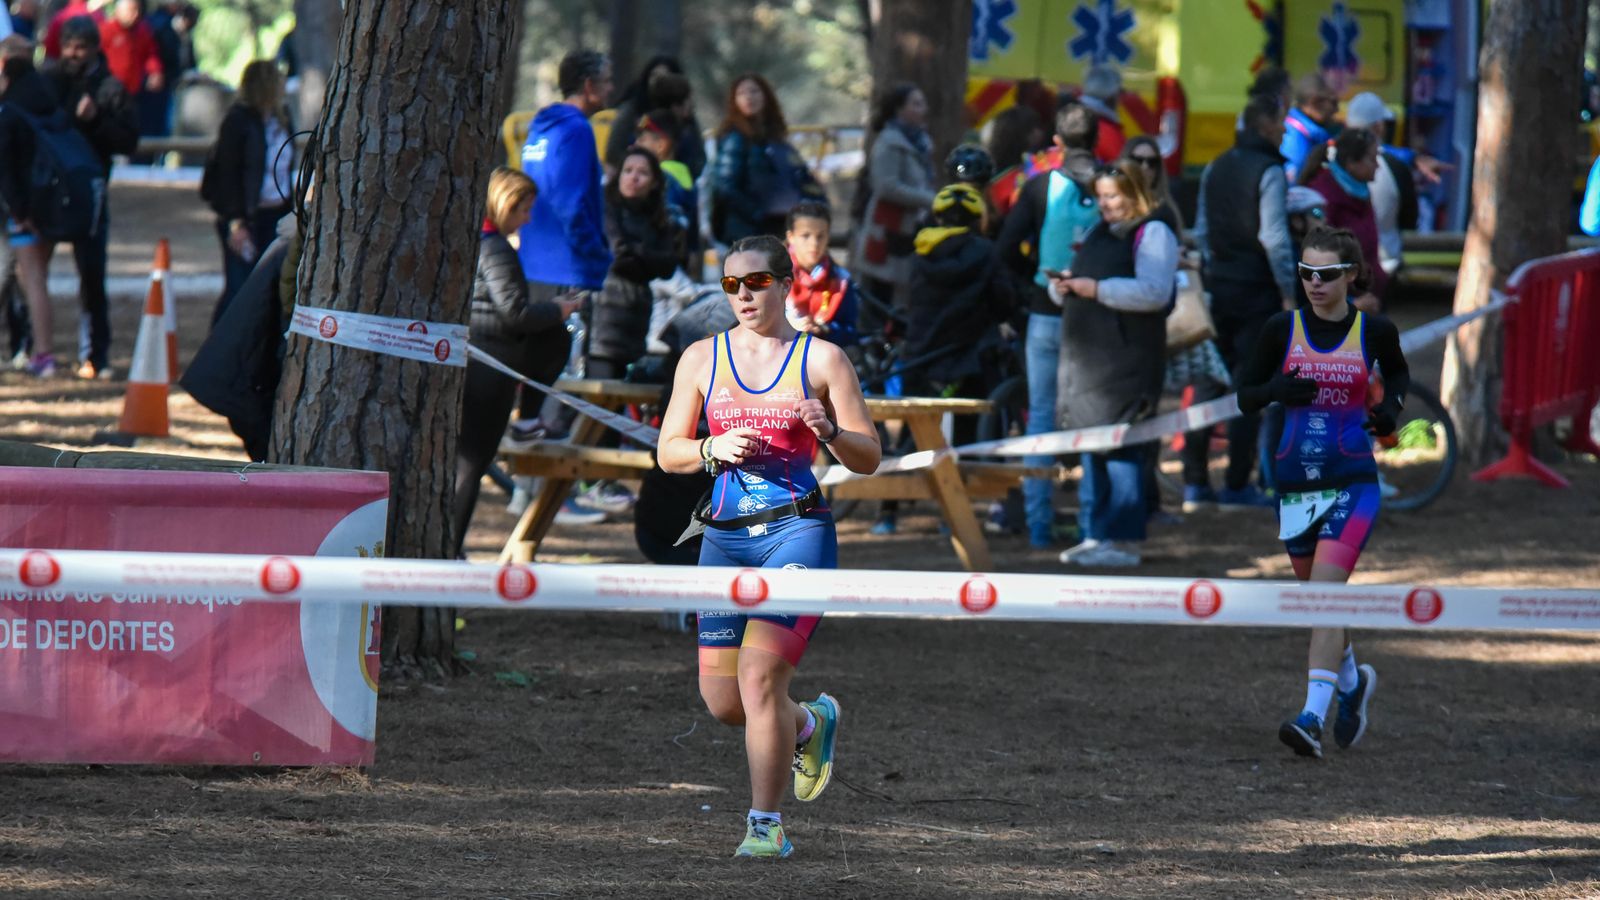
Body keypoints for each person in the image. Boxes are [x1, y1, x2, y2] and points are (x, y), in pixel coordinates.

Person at [655, 233, 880, 858]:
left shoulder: (823, 360)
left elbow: (868, 458)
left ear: (785, 284)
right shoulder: (702, 358)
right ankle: (810, 722)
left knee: (758, 682)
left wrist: (830, 431)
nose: (744, 295)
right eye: (731, 285)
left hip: (796, 532)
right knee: (725, 702)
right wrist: (707, 448)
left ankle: (765, 826)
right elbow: (667, 452)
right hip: (723, 540)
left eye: (755, 282)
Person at [1234, 225, 1407, 758]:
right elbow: (1245, 396)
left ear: (1350, 275)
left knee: (1327, 594)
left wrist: (1389, 409)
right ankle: (1353, 684)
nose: (1314, 282)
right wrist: (1273, 392)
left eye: (1326, 274)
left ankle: (1311, 716)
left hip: (1353, 482)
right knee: (1319, 601)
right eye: (1306, 272)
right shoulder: (1279, 329)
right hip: (1295, 486)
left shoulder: (1373, 330)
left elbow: (1397, 375)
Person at [1050, 161, 1177, 568]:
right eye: (1101, 196)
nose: (1104, 204)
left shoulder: (1153, 231)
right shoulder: (1096, 230)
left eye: (1113, 196)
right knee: (1093, 444)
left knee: (1122, 449)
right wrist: (1065, 286)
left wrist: (1096, 289)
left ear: (1134, 193)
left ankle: (1123, 539)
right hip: (1089, 362)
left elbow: (1155, 292)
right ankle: (1096, 531)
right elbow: (1082, 284)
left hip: (1129, 359)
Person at [450, 167, 579, 558]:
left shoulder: (468, 241)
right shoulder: (496, 247)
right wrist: (559, 310)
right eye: (524, 210)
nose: (526, 219)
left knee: (464, 464)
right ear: (506, 204)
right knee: (471, 466)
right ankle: (450, 550)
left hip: (475, 358)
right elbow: (515, 314)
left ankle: (447, 547)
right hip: (493, 365)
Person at [994, 100, 1099, 548]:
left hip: (1044, 312)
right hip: (1098, 321)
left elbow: (1004, 248)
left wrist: (1025, 289)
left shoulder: (1039, 186)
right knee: (1096, 424)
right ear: (1096, 141)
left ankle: (1038, 525)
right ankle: (1091, 528)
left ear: (1055, 143)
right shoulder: (1115, 185)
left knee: (1040, 417)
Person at [1186, 94, 1296, 511]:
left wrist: (1211, 275)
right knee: (1248, 389)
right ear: (1266, 125)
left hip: (1217, 291)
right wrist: (1287, 289)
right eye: (1282, 121)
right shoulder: (1269, 171)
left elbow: (1201, 229)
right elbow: (1274, 238)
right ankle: (1235, 483)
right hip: (1256, 293)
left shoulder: (1216, 167)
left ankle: (1196, 484)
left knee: (1207, 383)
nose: (1286, 129)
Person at [514, 49, 613, 447]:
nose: (610, 89)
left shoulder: (540, 127)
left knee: (537, 369)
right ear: (588, 86)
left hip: (532, 260)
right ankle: (551, 471)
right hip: (567, 268)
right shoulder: (576, 130)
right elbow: (571, 202)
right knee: (563, 371)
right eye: (606, 81)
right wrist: (597, 253)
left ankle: (531, 463)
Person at [41, 14, 138, 380]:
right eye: (68, 46)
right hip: (48, 192)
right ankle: (28, 346)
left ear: (95, 48)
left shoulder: (110, 88)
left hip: (89, 193)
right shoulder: (48, 82)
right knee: (23, 271)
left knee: (92, 275)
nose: (73, 54)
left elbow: (128, 140)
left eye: (80, 47)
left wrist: (96, 119)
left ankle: (95, 353)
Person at [199, 59, 294, 324]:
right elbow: (227, 176)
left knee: (274, 289)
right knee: (240, 290)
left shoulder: (283, 118)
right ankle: (220, 350)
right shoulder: (238, 121)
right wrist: (236, 222)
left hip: (276, 215)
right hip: (245, 218)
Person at [592, 146, 682, 379]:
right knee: (600, 387)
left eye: (642, 172)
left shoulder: (659, 217)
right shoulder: (605, 208)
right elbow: (618, 256)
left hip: (638, 314)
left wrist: (636, 253)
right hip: (604, 313)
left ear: (654, 182)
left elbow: (669, 265)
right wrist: (648, 257)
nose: (634, 177)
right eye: (628, 170)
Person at [851, 82, 935, 319]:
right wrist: (928, 199)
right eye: (916, 104)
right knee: (879, 293)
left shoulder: (920, 142)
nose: (923, 109)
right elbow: (886, 186)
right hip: (886, 229)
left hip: (910, 229)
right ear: (899, 109)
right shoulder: (889, 143)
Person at [0, 35, 58, 376]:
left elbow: (7, 169)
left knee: (31, 280)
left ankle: (44, 354)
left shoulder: (10, 113)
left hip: (20, 215)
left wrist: (20, 213)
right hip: (48, 204)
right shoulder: (48, 98)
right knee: (36, 279)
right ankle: (38, 351)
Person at [709, 73, 822, 245]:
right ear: (734, 101)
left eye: (754, 91)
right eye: (742, 93)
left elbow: (801, 176)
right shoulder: (735, 138)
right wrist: (756, 214)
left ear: (766, 95)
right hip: (748, 232)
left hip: (783, 226)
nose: (749, 97)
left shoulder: (777, 139)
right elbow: (726, 187)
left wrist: (816, 204)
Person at [1299, 128, 1385, 307]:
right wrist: (1349, 303)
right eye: (1372, 158)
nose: (1378, 165)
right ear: (1351, 163)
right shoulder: (1322, 198)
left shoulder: (1361, 193)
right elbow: (1318, 263)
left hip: (1366, 299)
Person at [605, 57, 705, 179]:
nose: (659, 80)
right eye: (655, 75)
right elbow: (613, 151)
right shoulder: (633, 112)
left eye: (666, 75)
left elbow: (697, 162)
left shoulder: (687, 126)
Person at [784, 201, 858, 348]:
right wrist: (788, 327)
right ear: (791, 236)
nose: (814, 244)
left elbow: (850, 331)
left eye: (820, 236)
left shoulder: (840, 280)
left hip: (822, 361)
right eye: (806, 236)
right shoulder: (773, 275)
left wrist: (824, 330)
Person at [634, 109, 699, 272]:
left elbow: (666, 221)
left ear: (661, 145)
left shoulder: (661, 178)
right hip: (681, 258)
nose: (636, 144)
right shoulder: (683, 173)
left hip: (662, 259)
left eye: (643, 140)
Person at [1280, 73, 1338, 183]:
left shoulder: (1311, 136)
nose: (1336, 110)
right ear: (1315, 102)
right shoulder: (1294, 142)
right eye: (1334, 102)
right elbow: (1291, 191)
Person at [1080, 64, 1126, 161]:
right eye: (1119, 92)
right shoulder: (1106, 131)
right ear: (1111, 95)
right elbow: (1121, 165)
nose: (1120, 99)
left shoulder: (1073, 119)